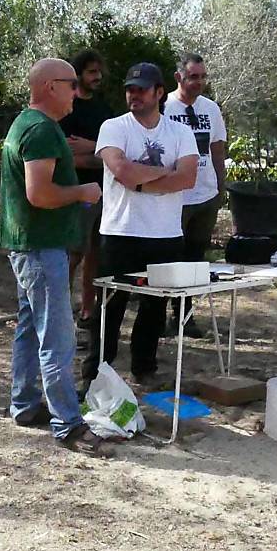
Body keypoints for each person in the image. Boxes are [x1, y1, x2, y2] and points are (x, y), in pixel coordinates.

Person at [0, 58, 104, 454]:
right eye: (71, 84)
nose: (77, 91)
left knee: (30, 326)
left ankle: (24, 404)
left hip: (30, 246)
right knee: (57, 335)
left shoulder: (31, 125)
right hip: (40, 249)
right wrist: (82, 192)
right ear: (48, 87)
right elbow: (39, 194)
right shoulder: (41, 130)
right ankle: (68, 424)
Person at [83, 62, 198, 386]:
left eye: (141, 89)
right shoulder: (114, 127)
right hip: (121, 232)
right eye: (130, 89)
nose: (134, 95)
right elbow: (122, 171)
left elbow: (187, 177)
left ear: (159, 93)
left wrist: (141, 182)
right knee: (108, 308)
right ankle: (95, 375)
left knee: (155, 307)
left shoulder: (180, 132)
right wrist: (164, 174)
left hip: (165, 235)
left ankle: (143, 368)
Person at [163, 53, 227, 338]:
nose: (199, 82)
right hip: (173, 197)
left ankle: (185, 316)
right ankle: (158, 314)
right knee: (169, 257)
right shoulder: (163, 106)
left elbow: (217, 148)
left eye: (202, 77)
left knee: (195, 258)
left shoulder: (210, 108)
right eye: (193, 77)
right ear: (179, 77)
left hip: (204, 195)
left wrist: (220, 187)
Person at [57, 49, 116, 334]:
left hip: (104, 193)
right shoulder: (67, 109)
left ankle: (88, 311)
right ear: (78, 73)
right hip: (76, 192)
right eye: (92, 72)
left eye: (99, 71)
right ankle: (61, 309)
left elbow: (113, 153)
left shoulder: (105, 110)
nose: (98, 77)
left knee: (96, 254)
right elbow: (67, 156)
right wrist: (97, 153)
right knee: (73, 253)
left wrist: (92, 148)